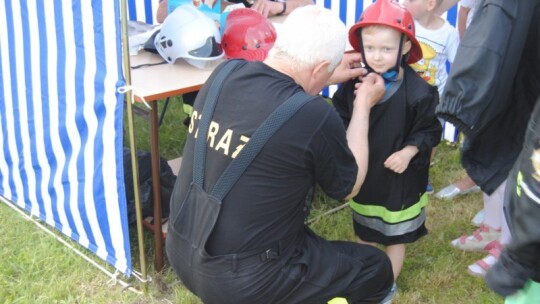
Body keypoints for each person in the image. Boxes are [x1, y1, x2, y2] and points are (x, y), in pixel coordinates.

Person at [166, 5, 395, 304]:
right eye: (325, 70)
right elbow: (348, 187)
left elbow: (275, 88)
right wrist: (363, 104)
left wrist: (322, 74)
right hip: (245, 282)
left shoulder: (224, 72)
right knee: (375, 268)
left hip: (182, 248)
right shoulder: (313, 115)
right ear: (318, 67)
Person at [332, 0, 442, 284]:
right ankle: (363, 278)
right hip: (366, 176)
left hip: (400, 181)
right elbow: (339, 116)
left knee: (395, 238)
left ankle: (386, 286)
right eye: (370, 49)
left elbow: (430, 129)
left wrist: (409, 150)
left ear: (405, 47)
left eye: (387, 49)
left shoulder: (420, 92)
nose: (377, 57)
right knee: (365, 232)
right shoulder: (353, 84)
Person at [437, 0, 540, 297]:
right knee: (490, 143)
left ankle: (510, 245)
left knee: (517, 156)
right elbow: (470, 12)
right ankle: (493, 229)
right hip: (499, 60)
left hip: (522, 63)